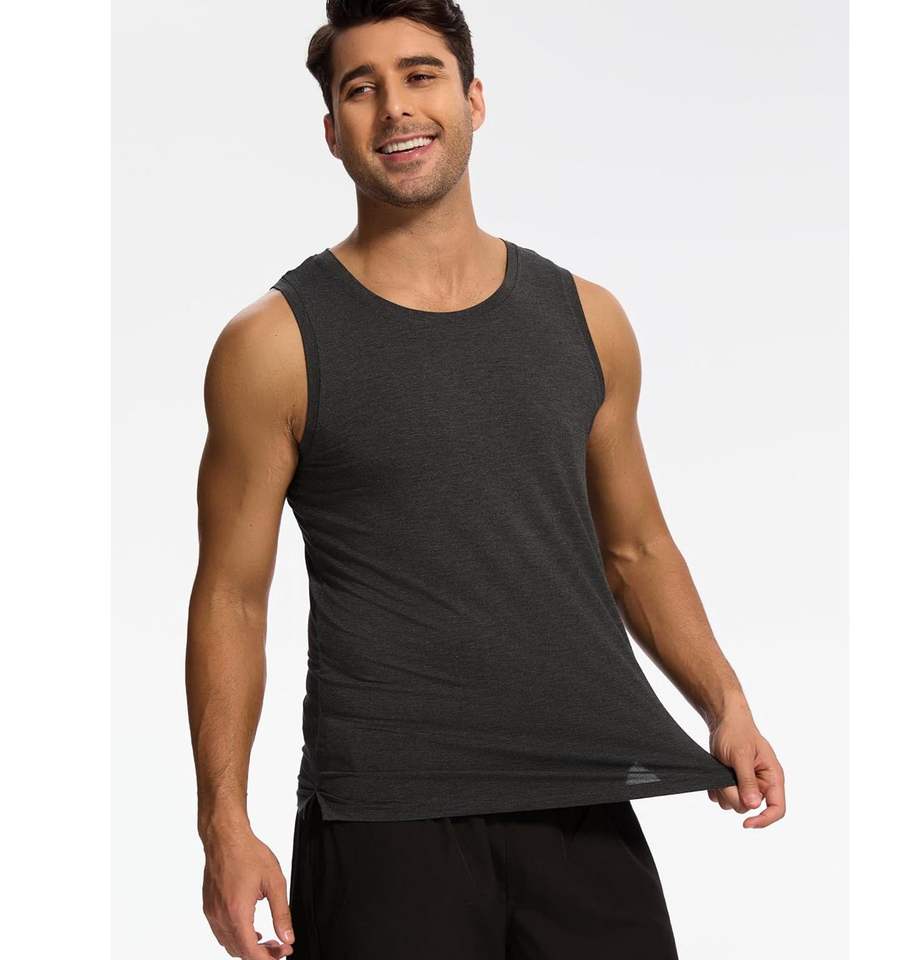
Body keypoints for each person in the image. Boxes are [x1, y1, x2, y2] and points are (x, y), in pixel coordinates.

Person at [185, 2, 786, 958]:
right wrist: (224, 822)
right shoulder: (274, 344)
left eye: (420, 75)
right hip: (384, 821)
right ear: (333, 130)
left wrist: (726, 702)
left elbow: (635, 547)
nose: (395, 107)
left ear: (472, 101)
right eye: (362, 88)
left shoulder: (586, 319)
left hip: (581, 801)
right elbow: (232, 595)